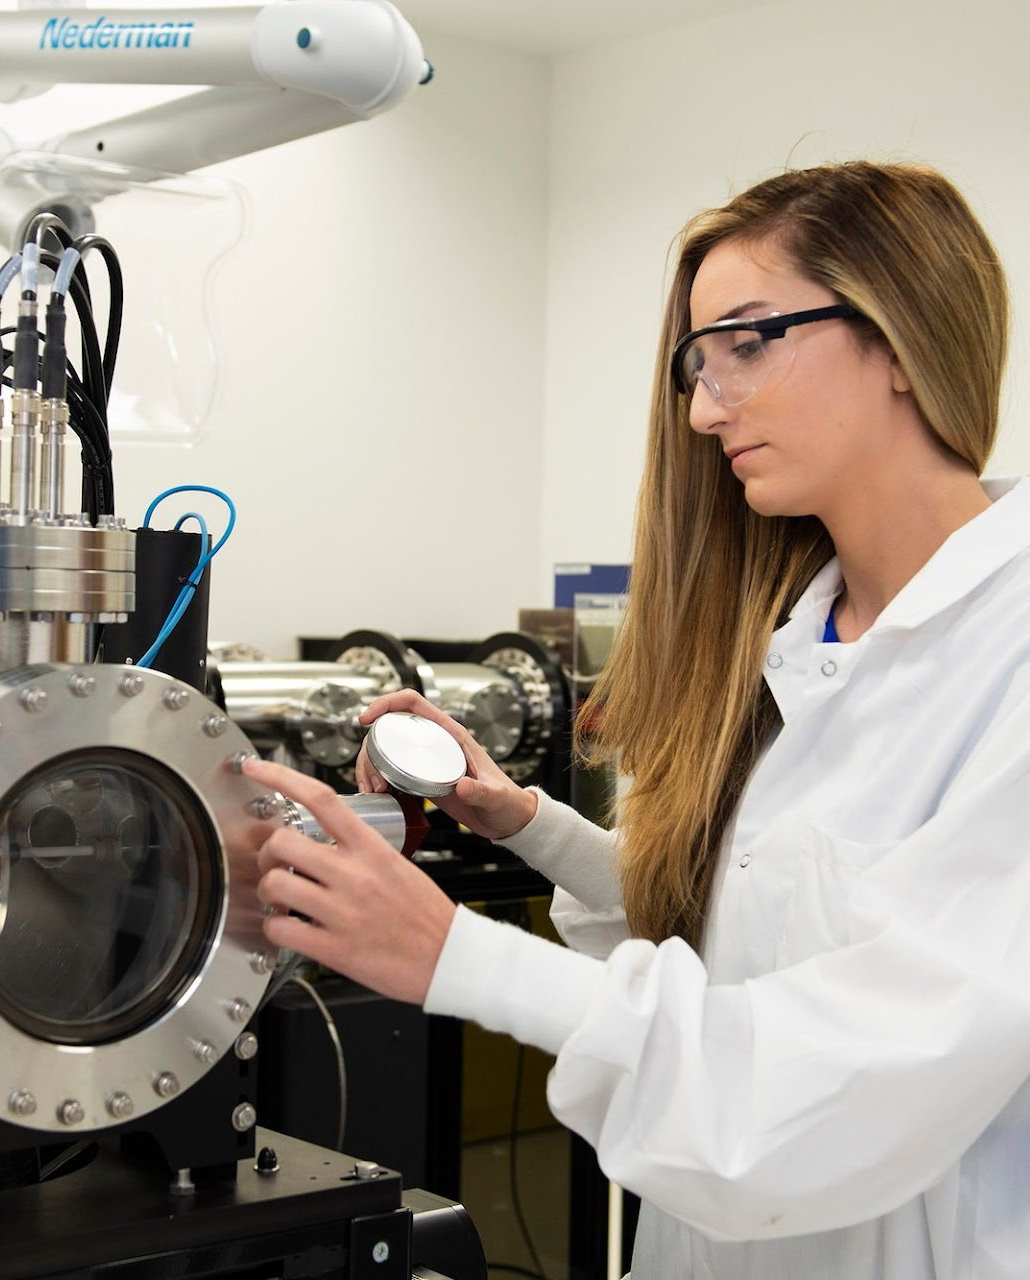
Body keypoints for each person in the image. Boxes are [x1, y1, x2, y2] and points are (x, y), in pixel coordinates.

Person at [243, 160, 1030, 1279]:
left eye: (746, 343)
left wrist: (453, 953)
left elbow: (846, 1064)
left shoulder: (1009, 651)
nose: (706, 408)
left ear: (895, 336)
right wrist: (525, 821)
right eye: (695, 366)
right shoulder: (807, 638)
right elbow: (741, 927)